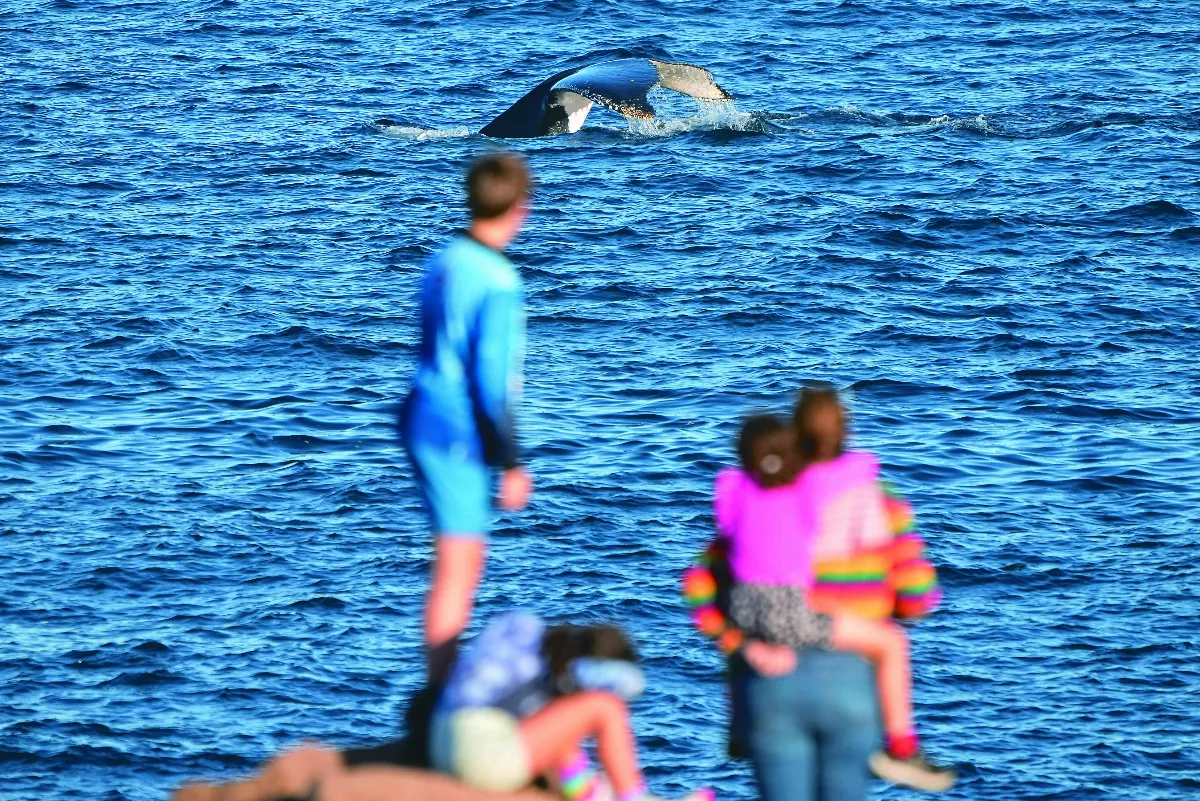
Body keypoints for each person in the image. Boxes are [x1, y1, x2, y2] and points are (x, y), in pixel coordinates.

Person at [683, 386, 952, 797]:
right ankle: (902, 747)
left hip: (767, 679)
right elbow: (919, 598)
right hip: (850, 681)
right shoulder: (877, 498)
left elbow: (706, 584)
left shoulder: (763, 493)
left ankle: (736, 726)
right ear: (847, 431)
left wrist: (737, 640)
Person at [398, 152, 535, 682]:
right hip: (455, 427)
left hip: (419, 411)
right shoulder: (499, 281)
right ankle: (439, 695)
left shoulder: (445, 259)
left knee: (452, 564)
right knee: (459, 570)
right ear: (521, 208)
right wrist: (512, 461)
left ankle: (441, 684)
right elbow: (489, 380)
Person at [430, 610, 712, 801]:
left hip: (444, 739)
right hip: (481, 752)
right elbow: (617, 686)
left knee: (562, 737)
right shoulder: (564, 672)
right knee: (605, 707)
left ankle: (591, 794)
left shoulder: (525, 633)